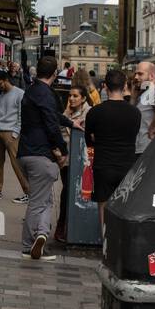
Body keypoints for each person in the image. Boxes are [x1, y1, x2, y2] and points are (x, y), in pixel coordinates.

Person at [18, 55, 70, 260]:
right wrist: (63, 149)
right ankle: (28, 245)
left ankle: (41, 235)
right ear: (55, 73)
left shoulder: (30, 90)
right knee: (38, 202)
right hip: (40, 155)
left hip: (25, 151)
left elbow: (53, 116)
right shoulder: (47, 95)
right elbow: (51, 123)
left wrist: (70, 122)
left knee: (47, 200)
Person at [85, 68, 141, 227]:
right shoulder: (135, 113)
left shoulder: (95, 112)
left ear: (105, 87)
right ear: (124, 86)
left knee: (103, 207)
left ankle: (106, 247)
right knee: (123, 209)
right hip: (127, 166)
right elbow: (133, 136)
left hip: (103, 165)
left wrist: (98, 139)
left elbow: (88, 140)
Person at [53, 85, 92, 245]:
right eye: (70, 96)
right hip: (66, 160)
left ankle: (70, 227)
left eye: (75, 96)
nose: (71, 98)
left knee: (73, 193)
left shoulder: (89, 113)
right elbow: (59, 133)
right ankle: (62, 227)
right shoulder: (66, 113)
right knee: (67, 191)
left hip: (81, 160)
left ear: (83, 98)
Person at [0, 69, 30, 203]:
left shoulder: (19, 93)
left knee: (17, 163)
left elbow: (21, 115)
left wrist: (15, 133)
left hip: (11, 133)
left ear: (6, 80)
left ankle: (28, 192)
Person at [133, 61, 155, 155]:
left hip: (148, 149)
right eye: (135, 74)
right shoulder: (146, 92)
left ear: (151, 76)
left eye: (140, 74)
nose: (136, 77)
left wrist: (154, 126)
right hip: (142, 148)